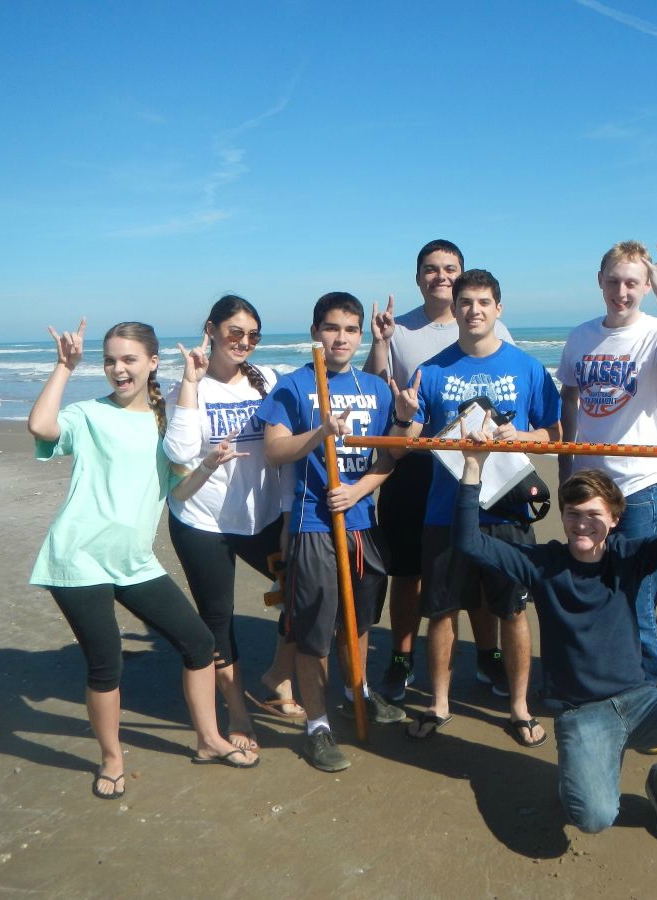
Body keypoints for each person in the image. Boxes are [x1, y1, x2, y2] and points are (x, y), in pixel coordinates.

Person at [453, 413, 657, 846]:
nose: (582, 524)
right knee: (594, 817)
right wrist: (472, 467)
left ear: (614, 519)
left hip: (641, 700)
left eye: (594, 515)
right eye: (573, 514)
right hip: (582, 714)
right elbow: (469, 542)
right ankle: (583, 771)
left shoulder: (628, 558)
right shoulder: (543, 565)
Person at [28, 318, 258, 802]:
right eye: (110, 359)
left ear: (152, 363)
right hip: (79, 560)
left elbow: (179, 489)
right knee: (105, 663)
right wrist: (63, 367)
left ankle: (209, 740)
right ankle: (112, 759)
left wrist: (209, 465)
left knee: (198, 642)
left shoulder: (164, 420)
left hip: (134, 562)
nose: (118, 368)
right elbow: (41, 427)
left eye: (129, 359)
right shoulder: (87, 414)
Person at [391, 268, 561, 747]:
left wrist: (519, 436)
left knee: (513, 612)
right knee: (442, 612)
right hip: (446, 511)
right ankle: (439, 702)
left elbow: (554, 433)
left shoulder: (527, 367)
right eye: (466, 302)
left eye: (484, 302)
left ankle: (520, 708)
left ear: (498, 309)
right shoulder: (434, 370)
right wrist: (405, 419)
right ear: (455, 307)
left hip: (508, 511)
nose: (474, 310)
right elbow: (408, 444)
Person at [364, 239, 515, 702]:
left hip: (473, 467)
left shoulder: (493, 325)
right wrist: (380, 342)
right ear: (418, 277)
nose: (441, 277)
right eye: (431, 269)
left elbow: (508, 396)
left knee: (479, 561)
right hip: (416, 464)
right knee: (409, 570)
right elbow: (375, 389)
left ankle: (488, 655)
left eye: (451, 268)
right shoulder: (400, 329)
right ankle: (402, 657)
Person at [257, 292, 402, 773]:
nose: (341, 338)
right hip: (312, 525)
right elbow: (275, 452)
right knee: (314, 632)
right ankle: (317, 726)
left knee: (360, 623)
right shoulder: (293, 388)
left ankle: (356, 688)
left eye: (350, 329)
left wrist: (360, 490)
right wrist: (319, 433)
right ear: (316, 331)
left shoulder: (375, 389)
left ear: (361, 335)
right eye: (331, 328)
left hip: (360, 523)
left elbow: (387, 458)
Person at [163, 295, 302, 753]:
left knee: (305, 590)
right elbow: (180, 454)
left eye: (253, 335)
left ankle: (277, 679)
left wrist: (285, 517)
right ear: (212, 329)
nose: (244, 342)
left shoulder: (270, 383)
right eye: (235, 332)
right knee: (218, 622)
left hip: (261, 517)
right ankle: (238, 714)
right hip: (202, 521)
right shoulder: (189, 388)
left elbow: (284, 458)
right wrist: (190, 380)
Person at [558, 240, 657, 688]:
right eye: (614, 281)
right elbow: (570, 396)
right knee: (591, 584)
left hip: (638, 485)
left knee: (638, 593)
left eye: (632, 282)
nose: (622, 290)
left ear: (645, 285)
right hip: (588, 485)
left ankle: (645, 686)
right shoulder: (581, 336)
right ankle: (599, 676)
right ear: (600, 281)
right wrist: (567, 466)